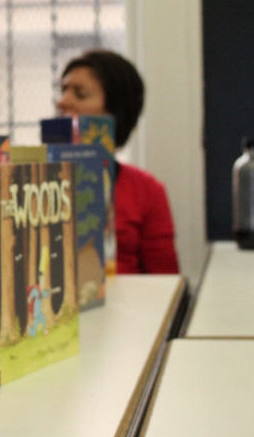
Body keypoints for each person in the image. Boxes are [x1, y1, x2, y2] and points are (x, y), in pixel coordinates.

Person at [56, 49, 179, 274]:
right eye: (63, 90)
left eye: (80, 94)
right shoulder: (33, 183)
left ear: (114, 112)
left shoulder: (147, 191)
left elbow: (166, 280)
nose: (62, 101)